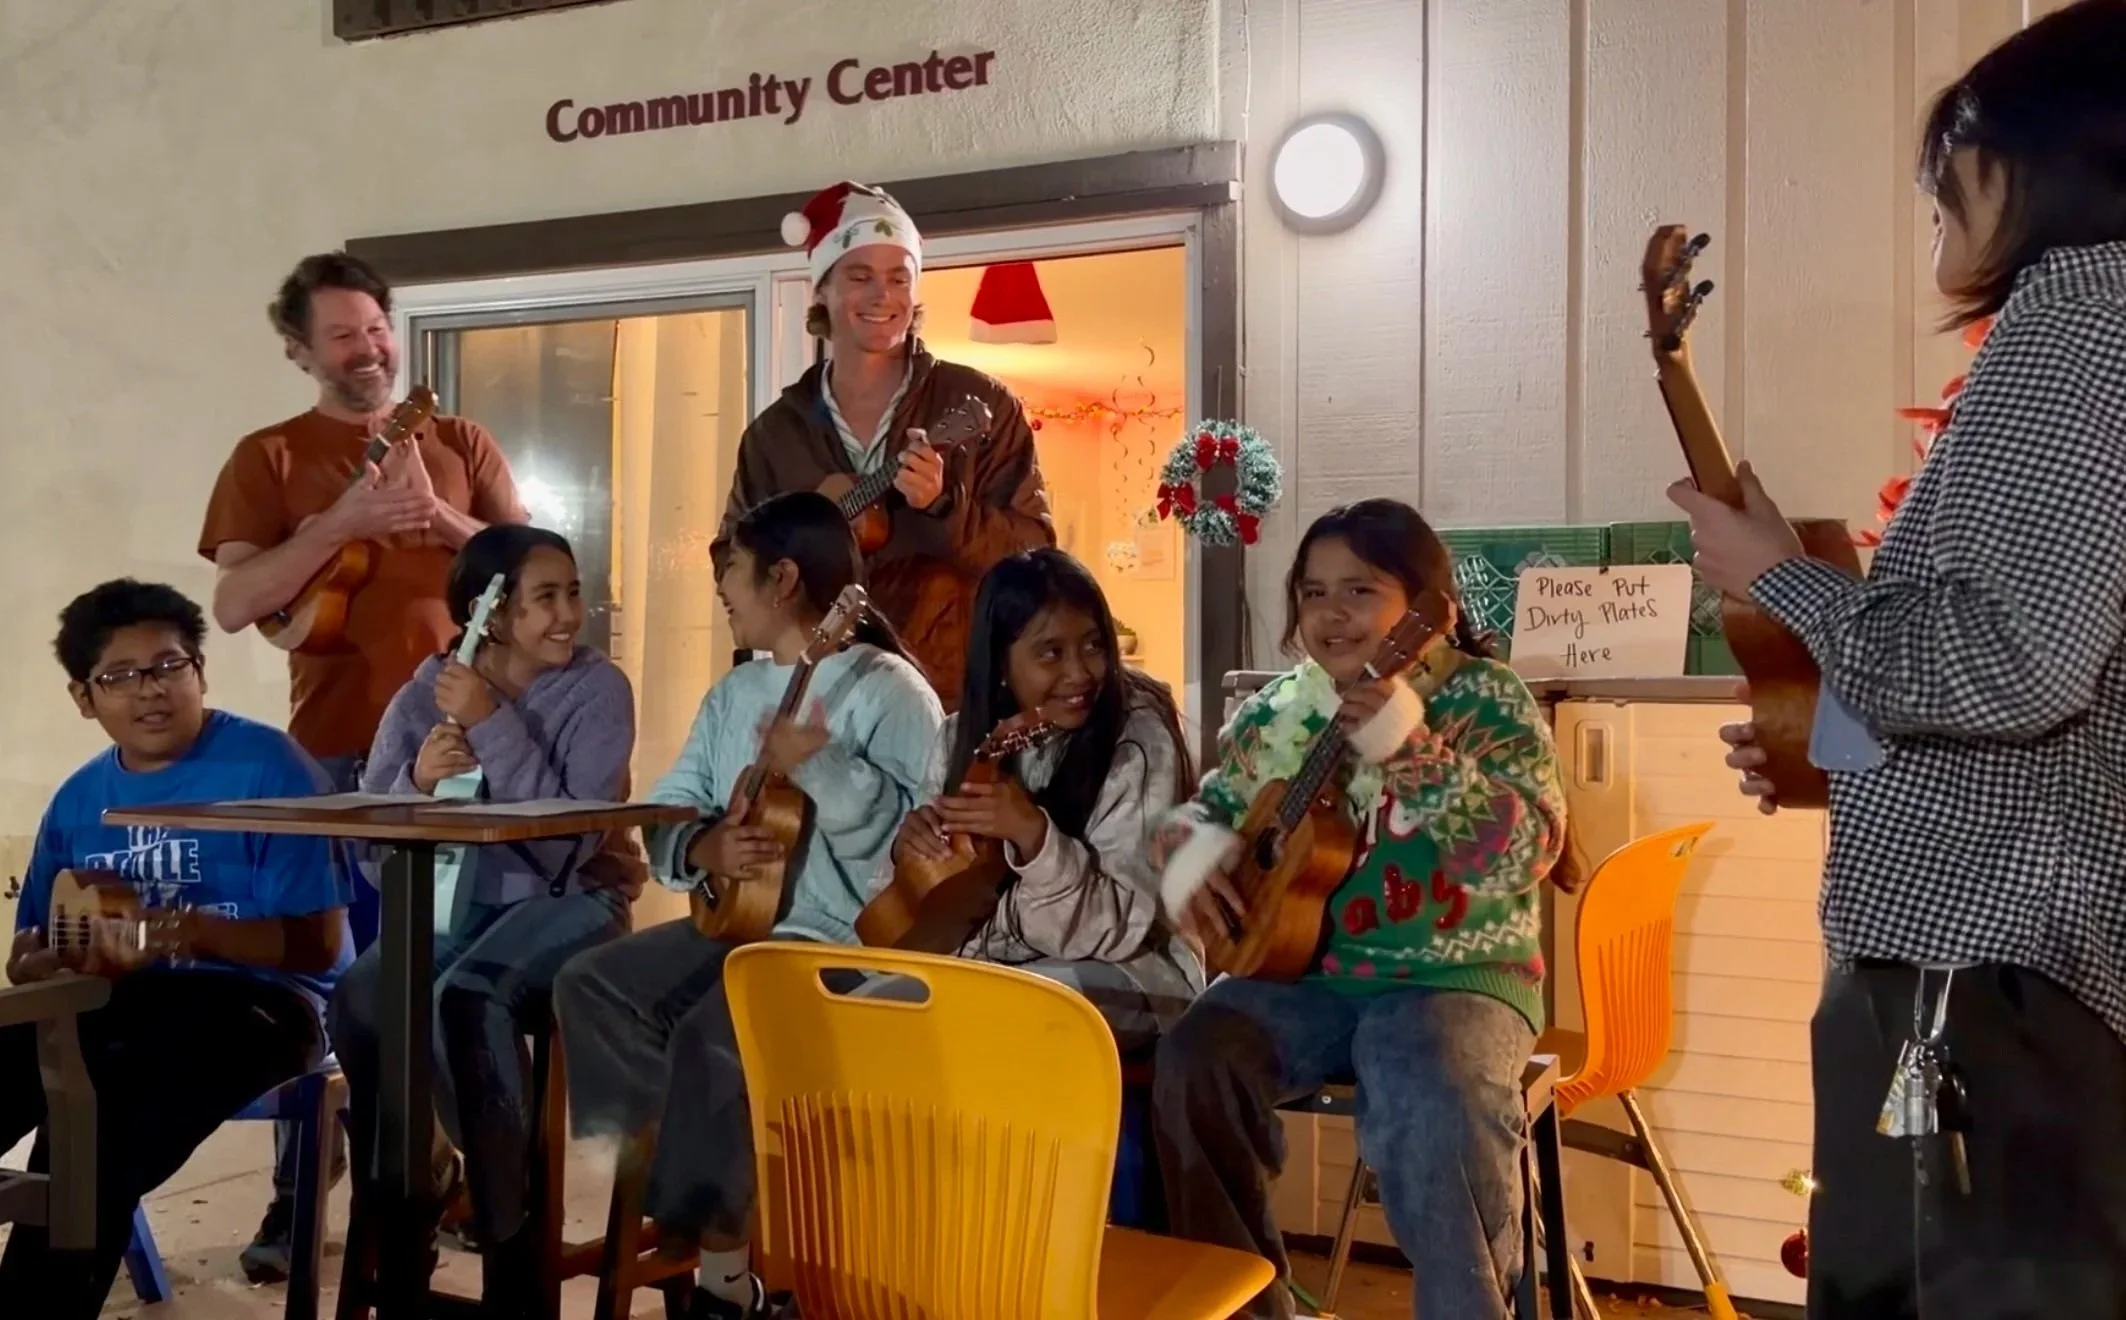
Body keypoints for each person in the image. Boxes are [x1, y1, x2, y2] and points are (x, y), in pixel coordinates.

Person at [1668, 5, 2126, 1314]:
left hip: (1982, 966)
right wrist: (1833, 749)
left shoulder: (2079, 320)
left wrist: (1780, 575)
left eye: (1955, 157)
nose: (1931, 192)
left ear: (2046, 156)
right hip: (2002, 962)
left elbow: (2017, 662)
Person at [1147, 499, 1566, 1320]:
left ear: (1426, 611)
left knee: (1432, 1093)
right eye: (1312, 592)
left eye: (1360, 590)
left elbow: (1528, 853)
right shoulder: (1276, 710)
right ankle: (1242, 1306)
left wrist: (1413, 753)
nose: (1331, 613)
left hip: (1457, 974)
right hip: (1304, 975)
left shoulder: (1486, 699)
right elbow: (1209, 809)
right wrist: (1191, 856)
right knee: (1195, 1061)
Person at [197, 250, 529, 1279]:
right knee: (332, 979)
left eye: (376, 328)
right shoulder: (268, 457)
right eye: (341, 335)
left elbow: (533, 571)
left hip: (464, 748)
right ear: (299, 350)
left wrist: (439, 519)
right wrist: (343, 523)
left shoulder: (460, 442)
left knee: (449, 973)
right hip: (335, 754)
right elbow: (236, 603)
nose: (368, 348)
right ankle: (302, 1193)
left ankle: (460, 1183)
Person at [552, 490, 940, 1320]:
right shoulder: (733, 695)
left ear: (784, 578)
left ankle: (717, 1265)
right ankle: (671, 1194)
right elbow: (675, 802)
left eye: (732, 569)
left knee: (713, 1030)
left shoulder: (892, 691)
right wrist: (702, 849)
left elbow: (912, 856)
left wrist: (823, 765)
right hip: (739, 927)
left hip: (840, 949)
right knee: (591, 982)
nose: (722, 588)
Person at [0, 580, 352, 1319]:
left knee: (92, 1128)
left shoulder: (270, 768)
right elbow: (30, 947)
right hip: (119, 1003)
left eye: (169, 666)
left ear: (201, 671)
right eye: (121, 676)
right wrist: (40, 963)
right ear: (84, 697)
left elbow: (316, 947)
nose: (151, 690)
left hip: (262, 1004)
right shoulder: (77, 799)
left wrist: (185, 931)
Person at [329, 525, 640, 1312]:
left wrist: (492, 723)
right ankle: (413, 1194)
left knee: (468, 997)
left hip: (575, 900)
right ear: (488, 612)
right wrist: (416, 783)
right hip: (457, 902)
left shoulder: (599, 690)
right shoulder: (424, 693)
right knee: (362, 996)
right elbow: (371, 847)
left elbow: (569, 844)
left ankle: (511, 1240)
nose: (568, 614)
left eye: (573, 594)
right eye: (546, 598)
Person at [714, 180, 1055, 710]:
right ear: (822, 290)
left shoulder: (981, 403)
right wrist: (788, 577)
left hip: (953, 701)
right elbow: (730, 560)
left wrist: (946, 510)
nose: (883, 296)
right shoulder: (775, 435)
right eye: (860, 276)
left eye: (900, 278)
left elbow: (1037, 560)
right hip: (817, 702)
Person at [880, 546, 1199, 1051]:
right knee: (866, 1013)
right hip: (994, 966)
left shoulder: (1138, 742)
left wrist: (1034, 837)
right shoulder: (958, 739)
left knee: (997, 1017)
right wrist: (912, 851)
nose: (1080, 673)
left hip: (1133, 973)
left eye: (1093, 645)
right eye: (1051, 652)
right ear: (1001, 664)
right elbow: (933, 911)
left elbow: (1112, 931)